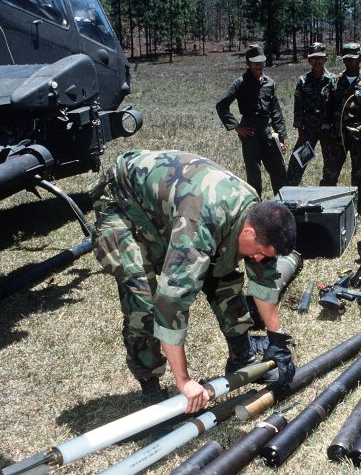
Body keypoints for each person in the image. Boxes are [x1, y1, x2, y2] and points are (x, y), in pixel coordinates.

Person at [90, 149, 297, 412]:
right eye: (259, 252)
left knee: (224, 275)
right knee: (143, 299)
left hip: (169, 205)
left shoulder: (254, 211)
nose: (257, 259)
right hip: (122, 203)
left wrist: (277, 341)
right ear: (249, 231)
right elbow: (170, 303)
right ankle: (150, 387)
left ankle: (240, 356)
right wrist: (185, 381)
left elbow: (265, 280)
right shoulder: (199, 223)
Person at [322, 42, 361, 215]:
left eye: (353, 59)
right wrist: (327, 128)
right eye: (346, 60)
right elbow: (328, 108)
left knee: (359, 173)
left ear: (360, 58)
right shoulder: (335, 81)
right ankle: (328, 206)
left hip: (360, 136)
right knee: (330, 172)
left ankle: (357, 207)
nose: (350, 63)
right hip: (338, 136)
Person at [216, 45, 288, 197]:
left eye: (261, 62)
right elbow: (221, 105)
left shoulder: (270, 83)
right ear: (247, 64)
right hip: (249, 133)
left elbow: (275, 111)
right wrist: (237, 127)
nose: (258, 66)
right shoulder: (240, 83)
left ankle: (283, 206)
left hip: (267, 131)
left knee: (279, 170)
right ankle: (255, 209)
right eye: (255, 63)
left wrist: (281, 138)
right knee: (254, 176)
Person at [286, 42, 336, 186]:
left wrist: (332, 130)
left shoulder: (333, 80)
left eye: (320, 58)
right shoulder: (303, 81)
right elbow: (298, 109)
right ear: (309, 60)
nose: (317, 61)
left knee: (331, 165)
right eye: (314, 58)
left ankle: (328, 191)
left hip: (328, 130)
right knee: (297, 165)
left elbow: (335, 106)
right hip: (308, 130)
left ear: (326, 59)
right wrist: (301, 134)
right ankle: (290, 193)